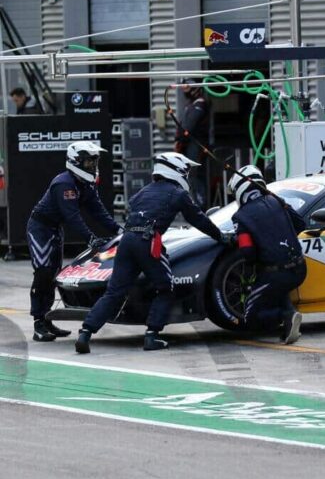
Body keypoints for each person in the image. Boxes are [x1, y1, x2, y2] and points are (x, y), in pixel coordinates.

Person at [75, 152, 233, 354]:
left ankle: (85, 333)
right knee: (166, 288)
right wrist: (221, 236)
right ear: (176, 170)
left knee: (114, 292)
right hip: (147, 242)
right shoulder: (178, 194)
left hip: (126, 241)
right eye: (186, 171)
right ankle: (152, 336)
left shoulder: (143, 191)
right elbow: (199, 220)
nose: (187, 175)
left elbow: (135, 207)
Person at [27, 141, 120, 342]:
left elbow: (98, 210)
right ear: (75, 162)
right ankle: (38, 323)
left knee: (53, 275)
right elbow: (72, 216)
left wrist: (119, 230)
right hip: (40, 228)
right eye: (88, 162)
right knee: (43, 272)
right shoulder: (64, 183)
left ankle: (46, 320)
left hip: (56, 229)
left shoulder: (86, 183)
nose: (92, 166)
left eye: (94, 161)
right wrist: (90, 239)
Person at [228, 165, 307, 344]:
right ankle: (289, 323)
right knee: (277, 290)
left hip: (276, 274)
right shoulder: (277, 201)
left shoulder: (241, 216)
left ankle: (285, 315)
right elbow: (300, 224)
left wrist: (238, 241)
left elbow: (247, 252)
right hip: (300, 268)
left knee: (249, 316)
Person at [174, 78, 210, 207]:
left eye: (187, 88)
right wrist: (179, 140)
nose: (185, 91)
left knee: (195, 175)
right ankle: (193, 203)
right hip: (188, 145)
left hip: (196, 145)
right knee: (189, 176)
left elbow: (189, 126)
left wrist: (180, 140)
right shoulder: (191, 104)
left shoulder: (200, 104)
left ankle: (200, 205)